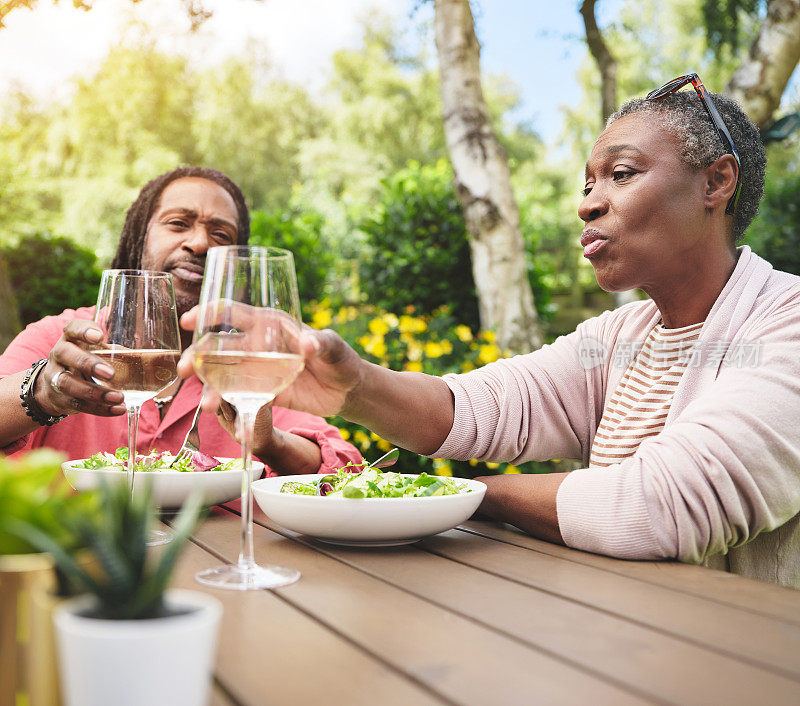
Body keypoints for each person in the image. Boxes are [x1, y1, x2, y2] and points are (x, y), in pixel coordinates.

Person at [183, 75, 800, 587]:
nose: (587, 204)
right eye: (588, 183)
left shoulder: (786, 323)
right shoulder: (618, 339)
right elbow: (477, 408)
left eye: (622, 173)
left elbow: (653, 510)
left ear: (716, 182)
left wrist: (470, 494)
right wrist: (353, 386)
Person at [0, 166, 362, 477]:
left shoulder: (249, 361)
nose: (200, 243)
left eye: (220, 235)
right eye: (178, 223)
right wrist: (42, 392)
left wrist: (269, 441)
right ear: (140, 234)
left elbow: (345, 467)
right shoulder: (62, 339)